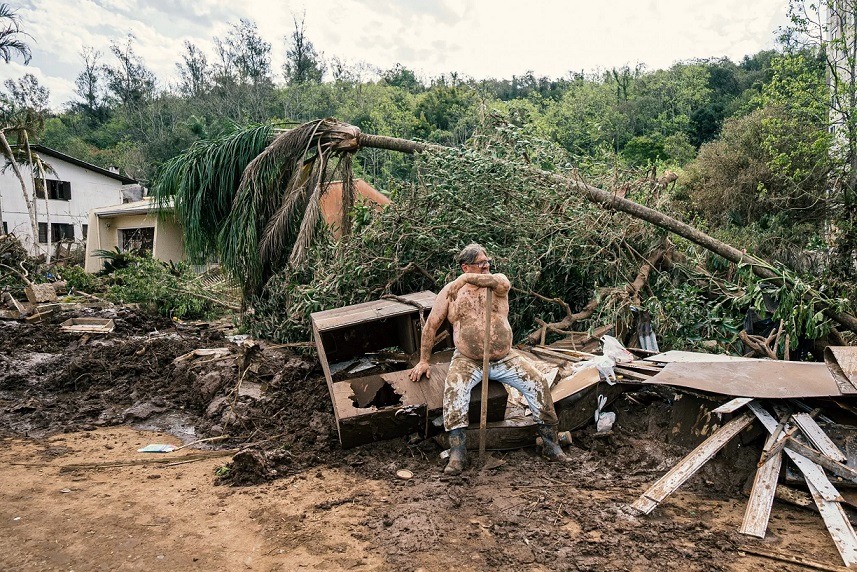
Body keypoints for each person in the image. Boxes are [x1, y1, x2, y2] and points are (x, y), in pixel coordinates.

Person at [409, 243, 571, 475]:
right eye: (480, 263)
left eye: (487, 262)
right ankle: (458, 453)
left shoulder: (497, 282)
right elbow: (431, 326)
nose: (486, 266)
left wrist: (463, 280)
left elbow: (497, 282)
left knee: (537, 382)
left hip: (506, 358)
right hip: (468, 359)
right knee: (454, 391)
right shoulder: (450, 292)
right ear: (466, 266)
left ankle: (551, 444)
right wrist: (424, 360)